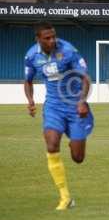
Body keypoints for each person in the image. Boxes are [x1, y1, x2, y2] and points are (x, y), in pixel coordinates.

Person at [24, 21, 94, 210]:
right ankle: (65, 197)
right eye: (47, 38)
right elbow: (28, 81)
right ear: (38, 39)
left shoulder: (68, 51)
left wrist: (81, 101)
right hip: (53, 107)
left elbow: (85, 78)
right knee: (52, 144)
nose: (52, 40)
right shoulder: (31, 56)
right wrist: (30, 101)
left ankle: (75, 139)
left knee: (78, 158)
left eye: (54, 36)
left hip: (75, 107)